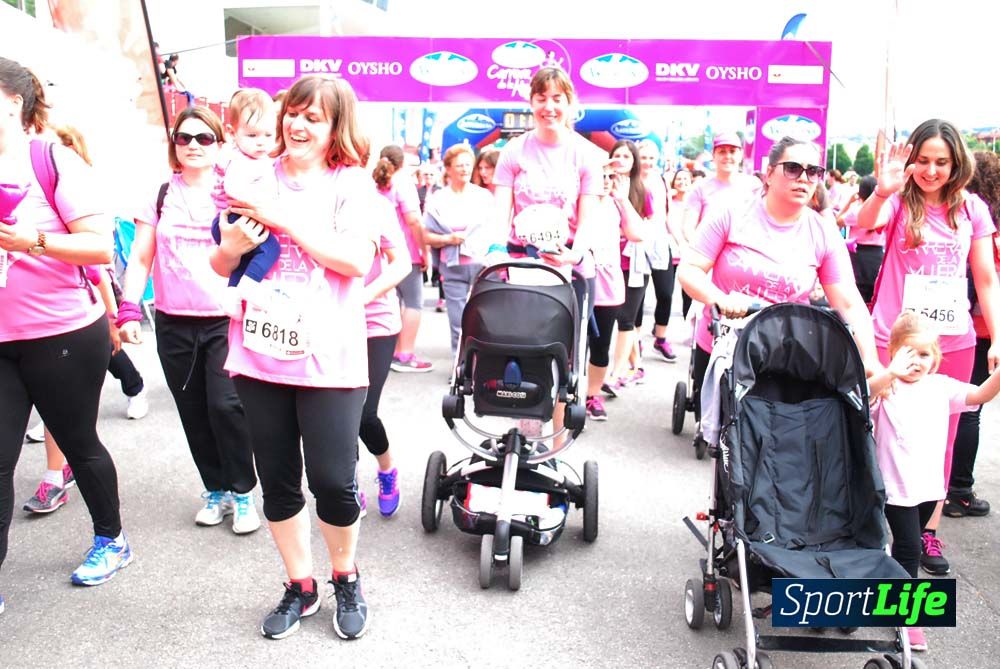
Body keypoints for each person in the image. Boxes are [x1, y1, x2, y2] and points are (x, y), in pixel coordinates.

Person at [210, 74, 381, 641]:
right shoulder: (255, 175)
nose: (298, 125)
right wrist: (230, 247)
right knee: (278, 481)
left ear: (335, 127)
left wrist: (284, 221)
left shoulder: (351, 184)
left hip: (330, 360)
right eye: (294, 113)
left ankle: (345, 574)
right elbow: (222, 263)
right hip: (260, 355)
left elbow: (355, 261)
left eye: (314, 117)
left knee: (333, 481)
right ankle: (300, 584)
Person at [0, 56, 132, 592]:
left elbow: (100, 246)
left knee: (78, 442)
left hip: (62, 333)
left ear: (12, 103)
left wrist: (29, 240)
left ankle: (111, 539)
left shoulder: (49, 160)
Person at [857, 119, 1000, 576]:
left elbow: (985, 277)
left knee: (941, 440)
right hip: (893, 338)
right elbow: (864, 225)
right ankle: (873, 525)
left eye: (942, 162)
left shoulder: (973, 208)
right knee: (881, 431)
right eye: (923, 160)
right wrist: (883, 189)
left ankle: (925, 533)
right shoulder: (899, 200)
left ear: (957, 163)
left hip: (950, 341)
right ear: (911, 159)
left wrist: (997, 336)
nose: (931, 171)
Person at [119, 106, 260, 535]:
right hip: (173, 321)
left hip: (224, 320)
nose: (194, 145)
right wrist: (127, 308)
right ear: (174, 145)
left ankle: (242, 492)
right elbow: (141, 255)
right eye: (185, 138)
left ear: (220, 144)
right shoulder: (160, 193)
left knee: (226, 406)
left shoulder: (233, 192)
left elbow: (261, 251)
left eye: (204, 138)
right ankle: (214, 489)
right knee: (193, 410)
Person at [677, 136, 879, 431]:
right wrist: (719, 298)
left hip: (786, 355)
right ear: (769, 174)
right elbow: (690, 269)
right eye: (793, 168)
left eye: (813, 171)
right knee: (729, 446)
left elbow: (848, 301)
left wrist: (869, 359)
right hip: (727, 344)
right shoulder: (732, 215)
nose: (804, 178)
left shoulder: (822, 232)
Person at [868, 311, 1000, 652]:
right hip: (895, 490)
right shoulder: (886, 388)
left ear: (936, 358)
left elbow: (980, 395)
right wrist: (889, 373)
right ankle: (906, 618)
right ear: (893, 351)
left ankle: (887, 594)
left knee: (902, 549)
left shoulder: (942, 388)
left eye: (924, 354)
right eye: (908, 353)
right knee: (910, 549)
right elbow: (861, 396)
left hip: (929, 489)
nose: (917, 362)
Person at [491, 66, 602, 442]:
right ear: (531, 102)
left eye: (557, 98)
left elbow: (589, 218)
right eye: (541, 98)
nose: (549, 106)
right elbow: (499, 211)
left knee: (560, 364)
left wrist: (574, 254)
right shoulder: (513, 150)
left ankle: (552, 446)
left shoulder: (586, 155)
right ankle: (523, 438)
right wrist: (493, 252)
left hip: (566, 271)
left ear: (570, 103)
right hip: (518, 268)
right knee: (520, 358)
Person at [944, 150, 1000, 518]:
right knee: (968, 410)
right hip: (976, 329)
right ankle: (959, 489)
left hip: (954, 325)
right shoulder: (982, 224)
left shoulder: (959, 216)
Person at [359, 197, 410, 518]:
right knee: (334, 412)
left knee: (364, 413)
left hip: (375, 320)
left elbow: (400, 262)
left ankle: (387, 470)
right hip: (328, 322)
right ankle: (346, 484)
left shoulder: (375, 205)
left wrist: (365, 295)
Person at [210, 88, 279, 316]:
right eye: (252, 135)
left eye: (268, 135)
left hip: (236, 218)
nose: (261, 143)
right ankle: (249, 286)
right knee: (270, 249)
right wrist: (265, 205)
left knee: (244, 260)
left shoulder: (255, 158)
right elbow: (234, 188)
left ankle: (231, 296)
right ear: (232, 133)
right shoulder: (241, 160)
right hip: (237, 218)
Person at [585, 158, 644, 420]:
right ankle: (564, 395)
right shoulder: (579, 201)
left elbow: (637, 233)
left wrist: (623, 199)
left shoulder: (616, 204)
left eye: (611, 177)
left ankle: (592, 395)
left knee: (601, 344)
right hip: (575, 277)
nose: (607, 182)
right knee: (570, 342)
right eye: (602, 176)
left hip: (607, 281)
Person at [422, 144, 494, 356]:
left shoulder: (484, 197)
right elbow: (426, 236)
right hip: (453, 266)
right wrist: (448, 238)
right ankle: (460, 364)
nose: (464, 169)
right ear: (448, 169)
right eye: (459, 165)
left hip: (483, 266)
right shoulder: (438, 199)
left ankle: (481, 364)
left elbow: (495, 230)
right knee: (458, 319)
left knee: (484, 318)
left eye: (467, 165)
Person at [374, 145, 432, 372]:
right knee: (414, 302)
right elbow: (414, 221)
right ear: (403, 164)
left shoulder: (376, 184)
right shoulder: (403, 184)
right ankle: (405, 354)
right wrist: (424, 250)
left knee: (391, 301)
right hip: (405, 252)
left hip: (381, 253)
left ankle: (389, 351)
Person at [607, 139, 650, 390]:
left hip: (634, 264)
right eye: (617, 155)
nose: (621, 161)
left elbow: (646, 229)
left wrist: (623, 201)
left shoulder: (642, 190)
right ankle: (636, 365)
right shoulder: (599, 184)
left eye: (627, 157)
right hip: (606, 263)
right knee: (618, 319)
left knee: (626, 319)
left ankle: (616, 374)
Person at [638, 140, 677, 362]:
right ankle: (635, 341)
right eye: (644, 157)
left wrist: (680, 239)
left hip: (661, 243)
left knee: (665, 293)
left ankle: (660, 337)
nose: (648, 162)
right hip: (636, 245)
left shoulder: (661, 180)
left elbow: (667, 213)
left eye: (652, 158)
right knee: (638, 297)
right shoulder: (629, 181)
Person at [682, 132, 760, 241]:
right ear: (713, 156)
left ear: (740, 155)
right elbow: (688, 228)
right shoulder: (699, 188)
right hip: (707, 253)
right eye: (722, 152)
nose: (727, 156)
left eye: (732, 152)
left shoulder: (754, 185)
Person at [839, 175, 882, 304]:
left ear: (860, 192)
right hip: (878, 255)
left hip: (857, 255)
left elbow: (837, 221)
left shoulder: (856, 211)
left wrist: (849, 202)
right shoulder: (883, 211)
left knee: (856, 297)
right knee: (874, 296)